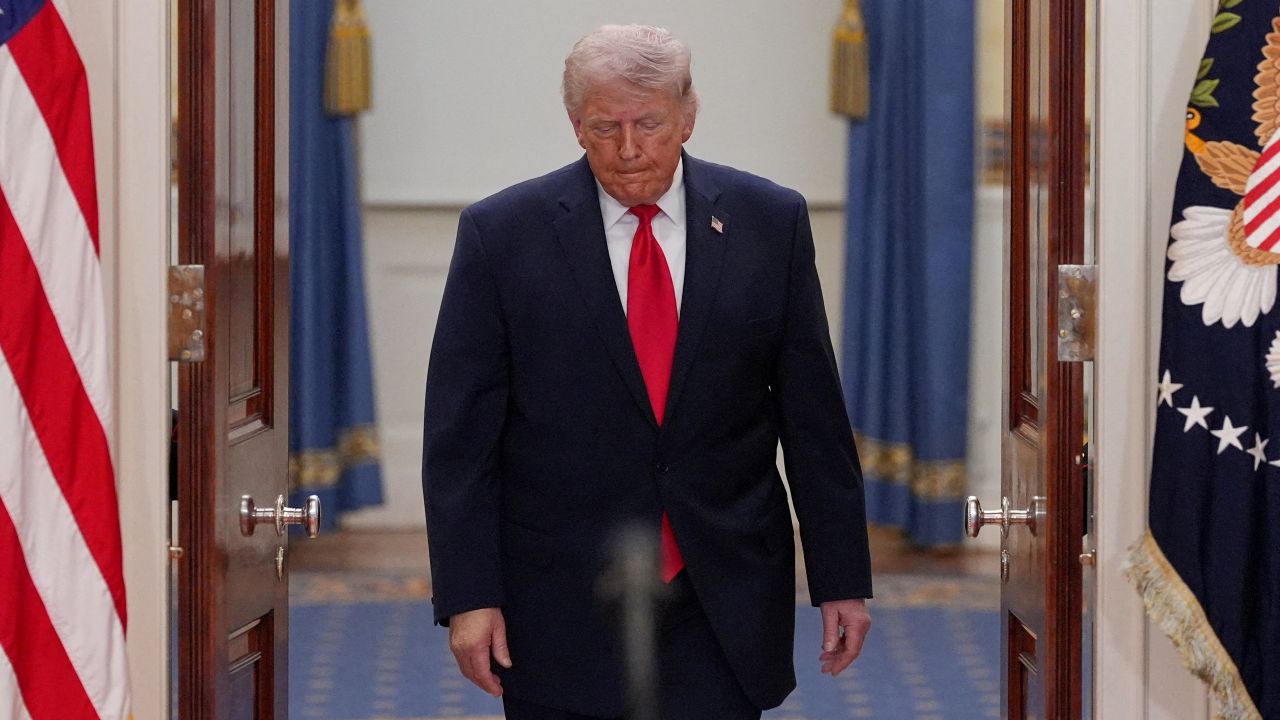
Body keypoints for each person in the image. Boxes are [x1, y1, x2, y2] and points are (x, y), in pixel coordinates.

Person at [422, 24, 872, 720]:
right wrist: (468, 595)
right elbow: (461, 442)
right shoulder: (503, 235)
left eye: (649, 123)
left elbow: (813, 418)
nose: (629, 148)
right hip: (560, 592)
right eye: (605, 127)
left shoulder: (768, 222)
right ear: (575, 125)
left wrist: (842, 578)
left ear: (688, 115)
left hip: (722, 582)